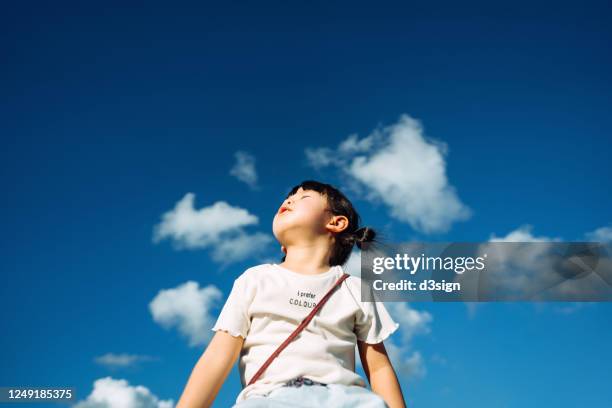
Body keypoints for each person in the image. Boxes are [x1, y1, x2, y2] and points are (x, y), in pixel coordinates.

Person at [176, 180, 406, 408]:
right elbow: (218, 357)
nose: (288, 200)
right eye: (288, 198)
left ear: (336, 222)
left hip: (343, 398)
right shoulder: (256, 279)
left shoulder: (355, 289)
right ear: (283, 248)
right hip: (269, 398)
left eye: (303, 197)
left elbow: (379, 367)